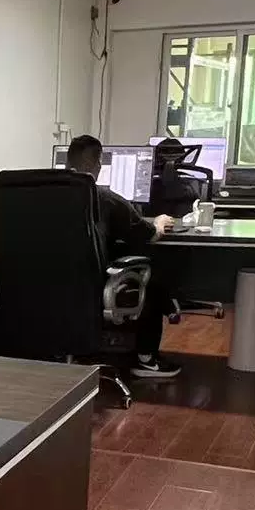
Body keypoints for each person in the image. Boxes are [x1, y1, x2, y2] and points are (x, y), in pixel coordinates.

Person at [64, 134, 182, 378]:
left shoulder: (38, 197)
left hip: (41, 287)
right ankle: (146, 360)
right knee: (150, 277)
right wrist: (159, 221)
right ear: (97, 165)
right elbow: (148, 235)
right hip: (89, 289)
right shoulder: (104, 198)